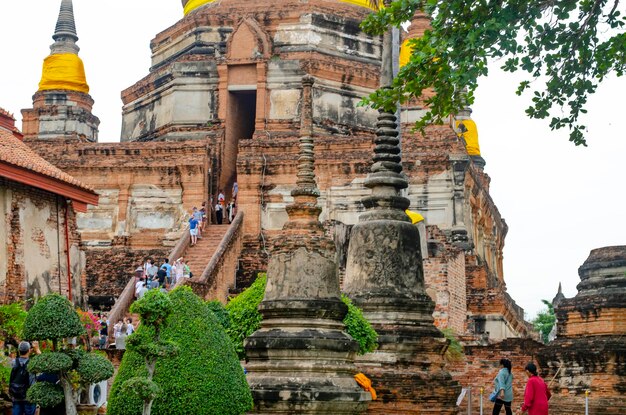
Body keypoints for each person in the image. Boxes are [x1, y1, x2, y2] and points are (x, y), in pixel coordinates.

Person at [10, 341, 41, 415]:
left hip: (16, 395)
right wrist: (37, 349)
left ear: (19, 350)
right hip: (29, 397)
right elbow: (44, 362)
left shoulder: (13, 362)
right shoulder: (32, 364)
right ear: (29, 350)